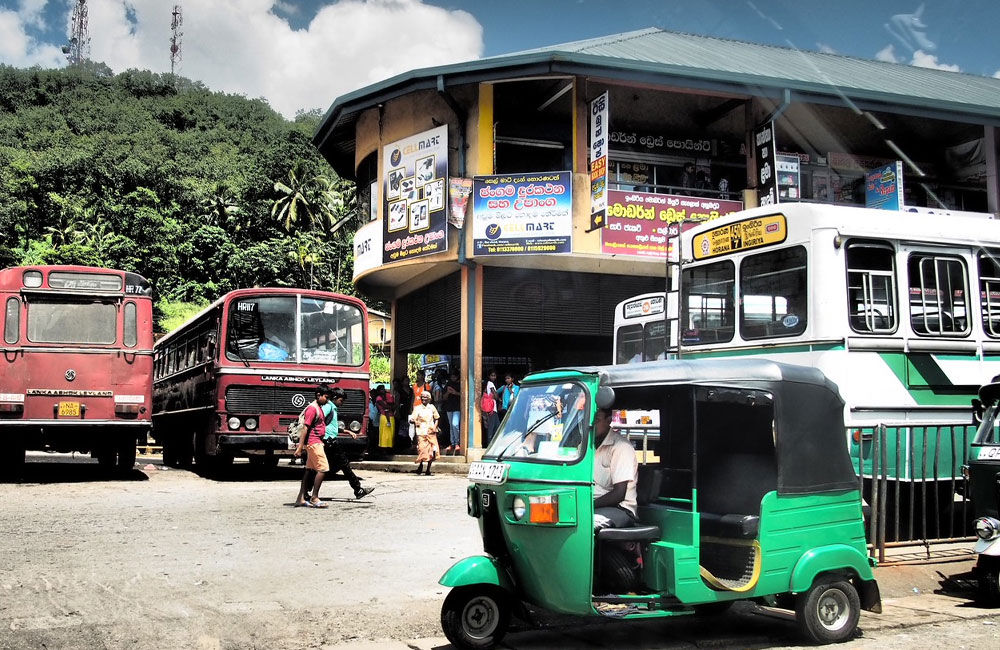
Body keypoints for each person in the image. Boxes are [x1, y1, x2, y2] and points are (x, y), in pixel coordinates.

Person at [322, 387, 375, 500]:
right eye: (341, 400)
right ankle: (358, 489)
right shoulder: (328, 407)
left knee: (326, 467)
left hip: (330, 440)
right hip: (329, 441)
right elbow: (319, 419)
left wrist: (346, 431)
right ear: (335, 398)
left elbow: (332, 426)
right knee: (342, 465)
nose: (342, 403)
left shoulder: (332, 407)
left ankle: (306, 491)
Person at [592, 407, 638, 531]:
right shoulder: (585, 446)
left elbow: (619, 494)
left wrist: (587, 505)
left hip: (620, 509)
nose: (591, 424)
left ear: (608, 420)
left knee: (586, 523)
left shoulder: (621, 447)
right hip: (593, 506)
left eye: (596, 420)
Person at [293, 387, 332, 508]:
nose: (327, 400)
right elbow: (305, 428)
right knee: (323, 469)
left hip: (316, 442)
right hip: (314, 443)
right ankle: (314, 497)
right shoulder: (312, 409)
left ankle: (301, 498)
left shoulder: (318, 408)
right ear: (318, 395)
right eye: (326, 397)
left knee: (308, 470)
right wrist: (300, 447)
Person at [410, 391, 439, 475]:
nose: (424, 398)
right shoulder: (417, 408)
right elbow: (412, 418)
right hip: (421, 431)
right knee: (422, 449)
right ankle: (421, 464)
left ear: (429, 398)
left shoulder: (432, 407)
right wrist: (415, 422)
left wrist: (435, 427)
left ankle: (428, 469)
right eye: (422, 397)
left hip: (430, 431)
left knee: (431, 451)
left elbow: (437, 418)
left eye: (426, 397)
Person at [443, 370, 461, 455]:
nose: (453, 378)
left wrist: (455, 392)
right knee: (451, 425)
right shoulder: (448, 385)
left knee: (455, 424)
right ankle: (453, 443)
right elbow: (444, 397)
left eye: (454, 376)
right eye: (452, 377)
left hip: (457, 407)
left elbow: (464, 394)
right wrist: (448, 392)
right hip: (449, 407)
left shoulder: (460, 384)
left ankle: (457, 443)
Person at [480, 369, 500, 446]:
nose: (494, 377)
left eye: (494, 376)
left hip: (491, 409)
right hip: (492, 409)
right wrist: (497, 397)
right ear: (489, 376)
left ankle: (493, 444)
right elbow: (496, 396)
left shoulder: (487, 384)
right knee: (492, 428)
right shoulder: (490, 383)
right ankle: (490, 444)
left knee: (496, 426)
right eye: (492, 375)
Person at [375, 385, 395, 450]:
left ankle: (389, 447)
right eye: (381, 389)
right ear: (378, 391)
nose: (384, 390)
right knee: (385, 433)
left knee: (390, 433)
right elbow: (386, 406)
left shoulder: (386, 397)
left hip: (390, 416)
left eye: (383, 389)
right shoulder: (379, 398)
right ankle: (384, 448)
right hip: (384, 417)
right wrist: (392, 407)